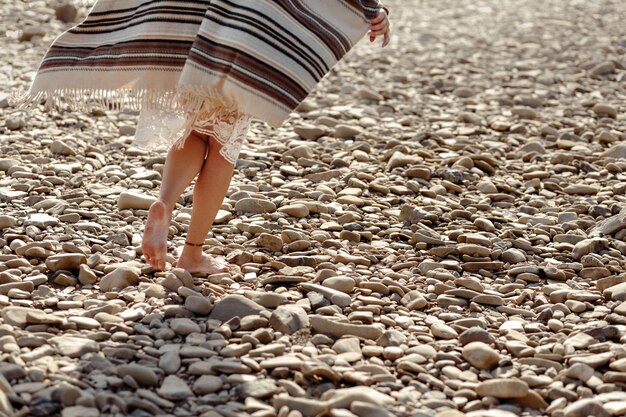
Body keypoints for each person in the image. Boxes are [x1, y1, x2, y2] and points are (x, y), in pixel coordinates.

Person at [18, 0, 392, 275]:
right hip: (248, 19)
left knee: (197, 126)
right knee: (224, 143)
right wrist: (369, 8)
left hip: (195, 15)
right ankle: (192, 253)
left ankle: (163, 202)